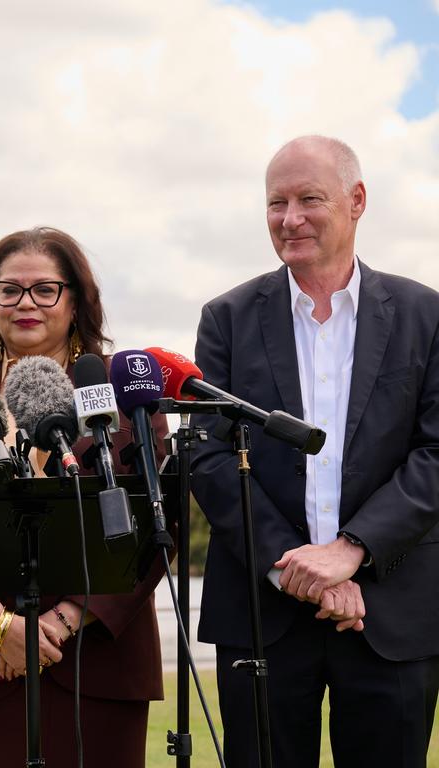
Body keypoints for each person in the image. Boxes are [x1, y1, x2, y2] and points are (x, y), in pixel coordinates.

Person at [190, 135, 439, 767]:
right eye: (276, 203)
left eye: (309, 199)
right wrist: (298, 569)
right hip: (262, 611)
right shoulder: (226, 318)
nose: (289, 218)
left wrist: (351, 551)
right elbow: (211, 460)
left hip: (392, 613)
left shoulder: (424, 314)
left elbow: (435, 452)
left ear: (357, 202)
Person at [0, 227, 169, 767]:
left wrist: (62, 620)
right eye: (9, 289)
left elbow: (158, 530)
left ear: (75, 301)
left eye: (45, 289)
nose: (26, 303)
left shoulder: (123, 400)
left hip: (98, 666)